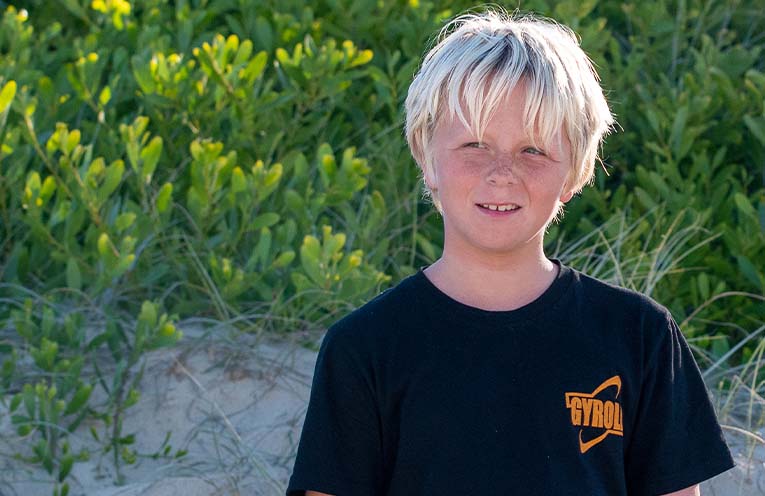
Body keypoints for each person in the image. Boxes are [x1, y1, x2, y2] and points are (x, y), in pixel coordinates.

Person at [286, 8, 736, 496]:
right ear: (426, 155)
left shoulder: (640, 336)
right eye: (475, 144)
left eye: (533, 150)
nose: (501, 173)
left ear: (574, 171)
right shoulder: (364, 347)